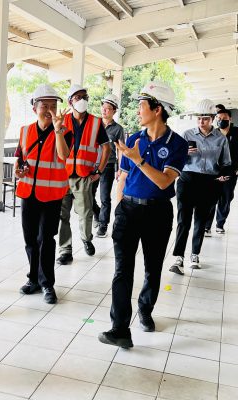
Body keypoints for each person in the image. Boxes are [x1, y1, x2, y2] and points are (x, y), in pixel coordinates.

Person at [98, 81, 188, 348]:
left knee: (152, 268)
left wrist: (139, 159)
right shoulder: (133, 139)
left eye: (141, 106)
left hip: (158, 212)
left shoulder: (177, 144)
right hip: (128, 209)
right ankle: (119, 328)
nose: (137, 111)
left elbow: (164, 181)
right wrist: (118, 208)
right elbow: (123, 177)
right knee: (122, 270)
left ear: (157, 109)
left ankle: (145, 310)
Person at [16, 84, 72, 304]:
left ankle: (47, 283)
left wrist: (58, 130)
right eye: (44, 106)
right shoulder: (25, 131)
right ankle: (33, 279)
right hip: (28, 193)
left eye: (53, 106)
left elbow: (63, 155)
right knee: (30, 239)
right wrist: (19, 170)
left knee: (46, 240)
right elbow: (21, 159)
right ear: (34, 108)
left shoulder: (65, 131)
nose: (49, 110)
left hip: (52, 195)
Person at [169, 99, 231, 275]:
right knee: (183, 220)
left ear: (212, 119)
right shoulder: (187, 134)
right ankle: (178, 257)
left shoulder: (220, 139)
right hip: (187, 180)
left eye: (205, 119)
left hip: (208, 182)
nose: (201, 122)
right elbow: (174, 159)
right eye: (198, 118)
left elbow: (226, 162)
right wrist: (183, 153)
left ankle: (195, 254)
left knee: (201, 221)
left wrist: (223, 176)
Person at [57, 84, 111, 265]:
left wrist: (99, 171)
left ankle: (86, 238)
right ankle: (65, 250)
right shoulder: (62, 121)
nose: (82, 100)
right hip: (62, 176)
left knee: (86, 212)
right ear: (70, 101)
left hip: (83, 175)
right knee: (62, 215)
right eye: (78, 97)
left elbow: (106, 148)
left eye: (85, 97)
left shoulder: (96, 122)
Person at [205, 108, 238, 235]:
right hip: (214, 171)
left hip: (231, 171)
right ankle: (207, 225)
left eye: (224, 119)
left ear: (230, 119)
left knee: (226, 198)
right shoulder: (213, 134)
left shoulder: (236, 133)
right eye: (219, 119)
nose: (221, 121)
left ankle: (220, 224)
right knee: (211, 197)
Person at [96, 93, 125, 238]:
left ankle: (103, 225)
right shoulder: (95, 124)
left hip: (108, 165)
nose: (104, 110)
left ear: (114, 111)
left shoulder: (118, 129)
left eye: (108, 108)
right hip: (93, 164)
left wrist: (120, 168)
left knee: (104, 197)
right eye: (103, 107)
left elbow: (121, 150)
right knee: (87, 195)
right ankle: (97, 214)